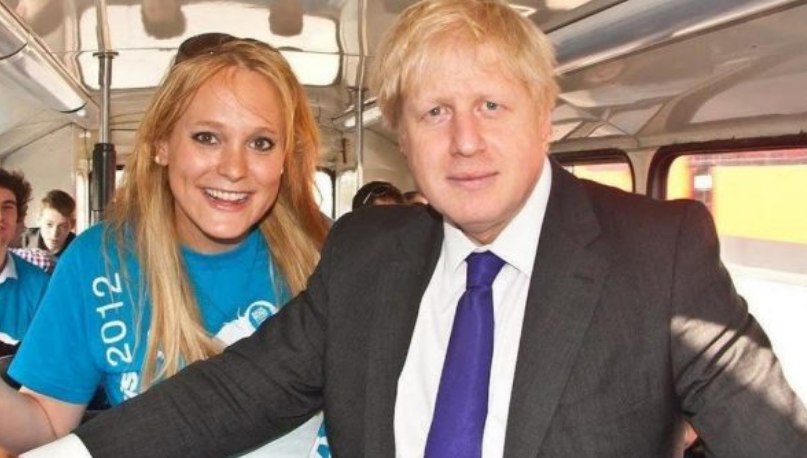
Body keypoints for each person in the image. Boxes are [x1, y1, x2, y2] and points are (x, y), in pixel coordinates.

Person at [23, 1, 807, 457]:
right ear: (402, 134)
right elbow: (229, 394)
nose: (463, 141)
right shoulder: (368, 255)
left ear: (542, 117)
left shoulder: (660, 253)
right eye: (433, 112)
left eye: (490, 106)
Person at [2, 35, 331, 457]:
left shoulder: (329, 253)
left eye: (261, 143)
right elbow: (46, 425)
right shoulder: (98, 260)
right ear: (162, 144)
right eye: (207, 137)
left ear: (285, 157)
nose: (234, 168)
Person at [0, 169, 50, 358]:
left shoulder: (40, 287)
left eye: (7, 207)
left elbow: (49, 357)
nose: (0, 215)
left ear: (18, 219)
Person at [18, 189, 77, 270]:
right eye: (49, 225)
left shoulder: (78, 248)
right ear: (38, 220)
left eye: (62, 226)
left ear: (72, 225)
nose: (54, 233)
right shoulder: (20, 240)